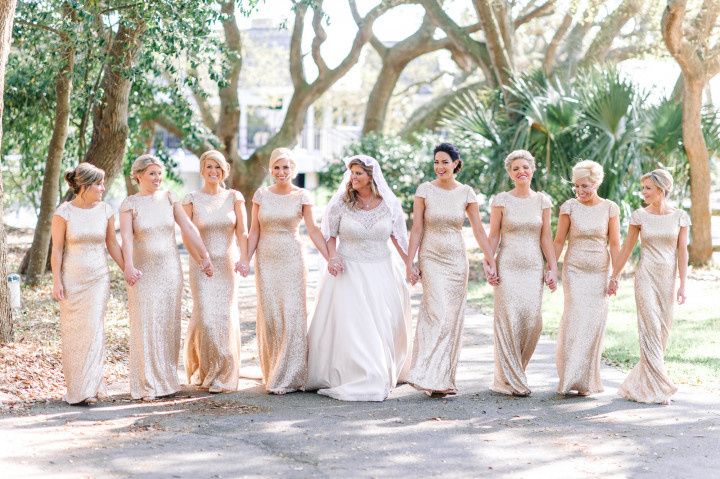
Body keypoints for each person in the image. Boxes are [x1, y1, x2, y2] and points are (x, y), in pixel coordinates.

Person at [306, 155, 411, 401]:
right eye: (352, 173)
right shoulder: (341, 203)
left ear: (371, 177)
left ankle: (380, 370)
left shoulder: (388, 204)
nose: (353, 178)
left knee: (380, 324)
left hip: (381, 271)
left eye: (358, 174)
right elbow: (329, 234)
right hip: (348, 271)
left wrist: (410, 264)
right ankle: (361, 373)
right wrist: (332, 258)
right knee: (354, 325)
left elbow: (398, 238)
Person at [405, 142, 497, 396]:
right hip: (431, 256)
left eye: (445, 162)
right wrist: (410, 261)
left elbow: (478, 229)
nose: (439, 167)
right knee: (437, 311)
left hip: (457, 260)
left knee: (452, 317)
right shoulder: (424, 190)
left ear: (456, 164)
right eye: (436, 162)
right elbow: (417, 228)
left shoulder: (466, 193)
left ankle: (442, 378)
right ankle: (424, 372)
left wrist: (490, 259)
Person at [119, 154, 214, 401]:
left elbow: (187, 228)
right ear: (138, 176)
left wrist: (204, 256)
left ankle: (167, 379)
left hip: (170, 271)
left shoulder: (170, 198)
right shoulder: (130, 204)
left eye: (159, 173)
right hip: (143, 272)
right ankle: (147, 384)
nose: (157, 178)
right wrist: (128, 265)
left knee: (168, 323)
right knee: (146, 324)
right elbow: (127, 239)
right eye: (152, 173)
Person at [247, 147, 328, 394]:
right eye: (277, 167)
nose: (281, 172)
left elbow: (313, 230)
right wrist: (244, 259)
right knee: (271, 315)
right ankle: (274, 372)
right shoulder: (261, 195)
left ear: (293, 170)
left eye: (286, 167)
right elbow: (254, 231)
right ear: (271, 169)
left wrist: (329, 257)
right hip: (266, 261)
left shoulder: (302, 195)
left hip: (292, 259)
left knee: (292, 314)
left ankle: (291, 375)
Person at [608, 169, 690, 405]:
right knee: (650, 329)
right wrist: (614, 276)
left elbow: (682, 252)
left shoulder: (680, 217)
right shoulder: (639, 216)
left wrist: (683, 284)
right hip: (645, 277)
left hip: (668, 280)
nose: (643, 192)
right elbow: (626, 249)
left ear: (661, 189)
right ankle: (662, 387)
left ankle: (639, 384)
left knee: (662, 333)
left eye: (648, 188)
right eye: (642, 188)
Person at [51, 163, 124, 405]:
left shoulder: (105, 210)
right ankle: (77, 387)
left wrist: (128, 269)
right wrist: (56, 281)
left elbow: (113, 245)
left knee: (94, 329)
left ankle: (90, 388)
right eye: (99, 184)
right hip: (72, 280)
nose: (103, 188)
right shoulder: (64, 213)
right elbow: (58, 249)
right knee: (74, 334)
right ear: (84, 185)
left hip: (98, 280)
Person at [487, 149, 558, 396]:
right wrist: (490, 262)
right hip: (507, 265)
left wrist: (553, 266)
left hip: (533, 268)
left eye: (525, 167)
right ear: (509, 173)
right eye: (515, 168)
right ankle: (510, 378)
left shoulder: (542, 201)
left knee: (531, 321)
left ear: (533, 169)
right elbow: (494, 234)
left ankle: (517, 369)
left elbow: (546, 236)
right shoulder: (501, 200)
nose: (521, 172)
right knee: (509, 320)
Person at [183, 150, 248, 393]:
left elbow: (243, 231)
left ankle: (223, 373)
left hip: (227, 265)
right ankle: (207, 369)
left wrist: (244, 257)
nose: (213, 172)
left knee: (224, 317)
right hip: (201, 265)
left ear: (224, 171)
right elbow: (187, 234)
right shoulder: (191, 198)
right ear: (202, 170)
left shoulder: (234, 197)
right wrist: (201, 259)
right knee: (207, 318)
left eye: (218, 168)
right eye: (209, 167)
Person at [553, 160, 620, 396]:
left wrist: (616, 275)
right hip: (574, 271)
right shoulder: (569, 207)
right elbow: (559, 240)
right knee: (574, 319)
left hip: (600, 272)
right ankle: (569, 376)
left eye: (585, 187)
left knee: (593, 323)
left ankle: (586, 380)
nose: (580, 192)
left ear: (596, 183)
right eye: (577, 187)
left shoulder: (610, 208)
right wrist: (551, 268)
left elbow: (614, 243)